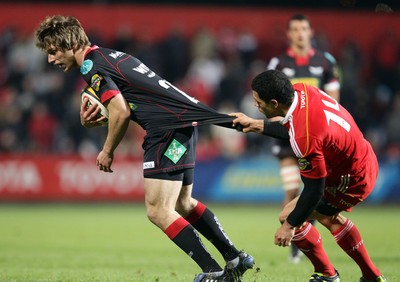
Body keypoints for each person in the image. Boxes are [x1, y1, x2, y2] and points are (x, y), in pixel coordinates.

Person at [34, 15, 254, 282]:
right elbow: (128, 101)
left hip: (164, 131)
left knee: (158, 210)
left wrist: (107, 149)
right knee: (182, 204)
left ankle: (213, 272)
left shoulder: (91, 65)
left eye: (53, 51)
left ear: (69, 43)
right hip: (182, 126)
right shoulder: (111, 55)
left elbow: (120, 110)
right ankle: (234, 257)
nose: (50, 59)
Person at [231, 69, 386, 282]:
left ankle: (330, 275)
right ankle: (370, 276)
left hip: (352, 177)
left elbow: (314, 190)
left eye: (259, 102)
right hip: (363, 157)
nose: (256, 106)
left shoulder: (306, 136)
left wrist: (288, 227)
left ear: (275, 103)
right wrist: (257, 124)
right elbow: (296, 127)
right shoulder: (303, 91)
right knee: (324, 216)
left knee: (290, 216)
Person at [266, 13, 341, 263]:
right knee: (291, 191)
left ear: (311, 32)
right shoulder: (278, 62)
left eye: (304, 28)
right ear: (289, 34)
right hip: (287, 137)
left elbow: (333, 101)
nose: (300, 33)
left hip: (315, 137)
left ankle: (308, 242)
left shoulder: (326, 61)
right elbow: (269, 100)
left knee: (313, 191)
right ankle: (296, 245)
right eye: (295, 29)